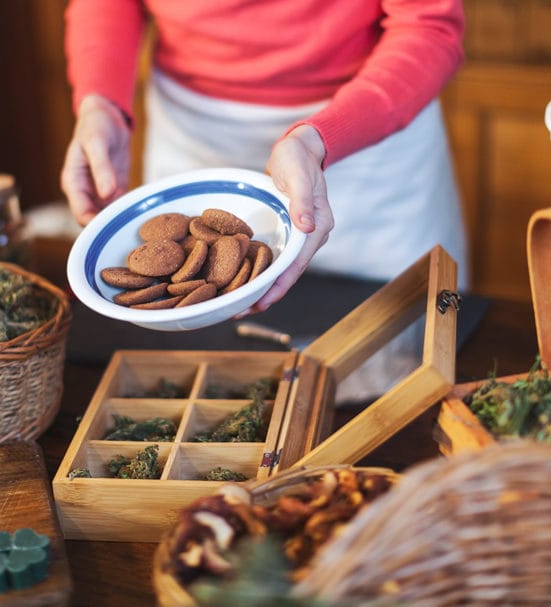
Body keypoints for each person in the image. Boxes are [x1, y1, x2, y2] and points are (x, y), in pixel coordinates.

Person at [61, 0, 470, 399]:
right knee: (212, 380)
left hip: (368, 140)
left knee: (401, 372)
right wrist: (101, 101)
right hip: (192, 134)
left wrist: (320, 139)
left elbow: (428, 24)